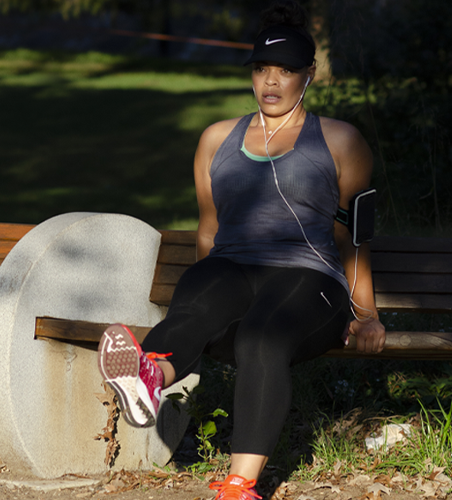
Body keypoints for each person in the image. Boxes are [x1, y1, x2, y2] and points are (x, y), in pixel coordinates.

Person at [97, 2, 386, 498]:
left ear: (310, 73)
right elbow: (208, 230)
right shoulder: (217, 139)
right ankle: (148, 377)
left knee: (260, 338)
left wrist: (367, 315)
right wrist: (206, 296)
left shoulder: (341, 140)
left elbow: (353, 238)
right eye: (261, 69)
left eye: (285, 71)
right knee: (198, 307)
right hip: (232, 267)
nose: (270, 81)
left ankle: (239, 485)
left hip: (309, 279)